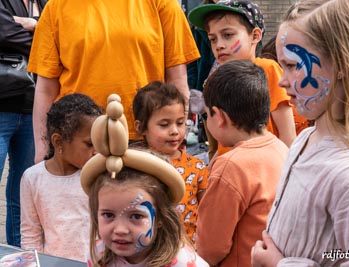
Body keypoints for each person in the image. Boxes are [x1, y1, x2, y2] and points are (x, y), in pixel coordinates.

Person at [251, 0, 349, 266]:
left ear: (342, 63)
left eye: (293, 65)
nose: (282, 80)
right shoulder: (305, 140)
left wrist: (278, 264)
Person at [27, 0, 200, 164]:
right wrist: (42, 150)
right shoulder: (56, 7)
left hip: (145, 140)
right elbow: (46, 89)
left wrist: (177, 134)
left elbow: (177, 80)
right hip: (77, 143)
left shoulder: (161, 3)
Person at [80, 96, 209, 267]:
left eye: (136, 216)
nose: (120, 229)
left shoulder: (184, 264)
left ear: (161, 217)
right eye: (108, 215)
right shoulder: (99, 256)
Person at [193, 60, 288, 267]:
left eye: (206, 115)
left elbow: (210, 248)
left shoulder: (230, 166)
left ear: (219, 117)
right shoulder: (282, 150)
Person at [188, 0, 297, 153]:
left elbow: (288, 134)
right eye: (213, 39)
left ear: (255, 36)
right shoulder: (215, 80)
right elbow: (216, 144)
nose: (219, 44)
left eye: (228, 35)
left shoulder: (268, 70)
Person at [20, 93, 101, 262]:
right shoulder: (32, 178)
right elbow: (31, 233)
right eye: (89, 144)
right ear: (58, 142)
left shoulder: (97, 176)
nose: (96, 151)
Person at [133, 81, 208, 243]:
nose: (174, 131)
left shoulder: (196, 167)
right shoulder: (134, 167)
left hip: (187, 252)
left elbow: (207, 213)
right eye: (164, 124)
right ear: (140, 128)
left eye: (180, 123)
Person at [0, 0, 47, 247]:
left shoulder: (45, 3)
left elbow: (59, 34)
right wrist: (42, 35)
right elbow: (3, 32)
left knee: (23, 191)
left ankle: (18, 253)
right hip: (1, 105)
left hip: (32, 107)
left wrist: (30, 24)